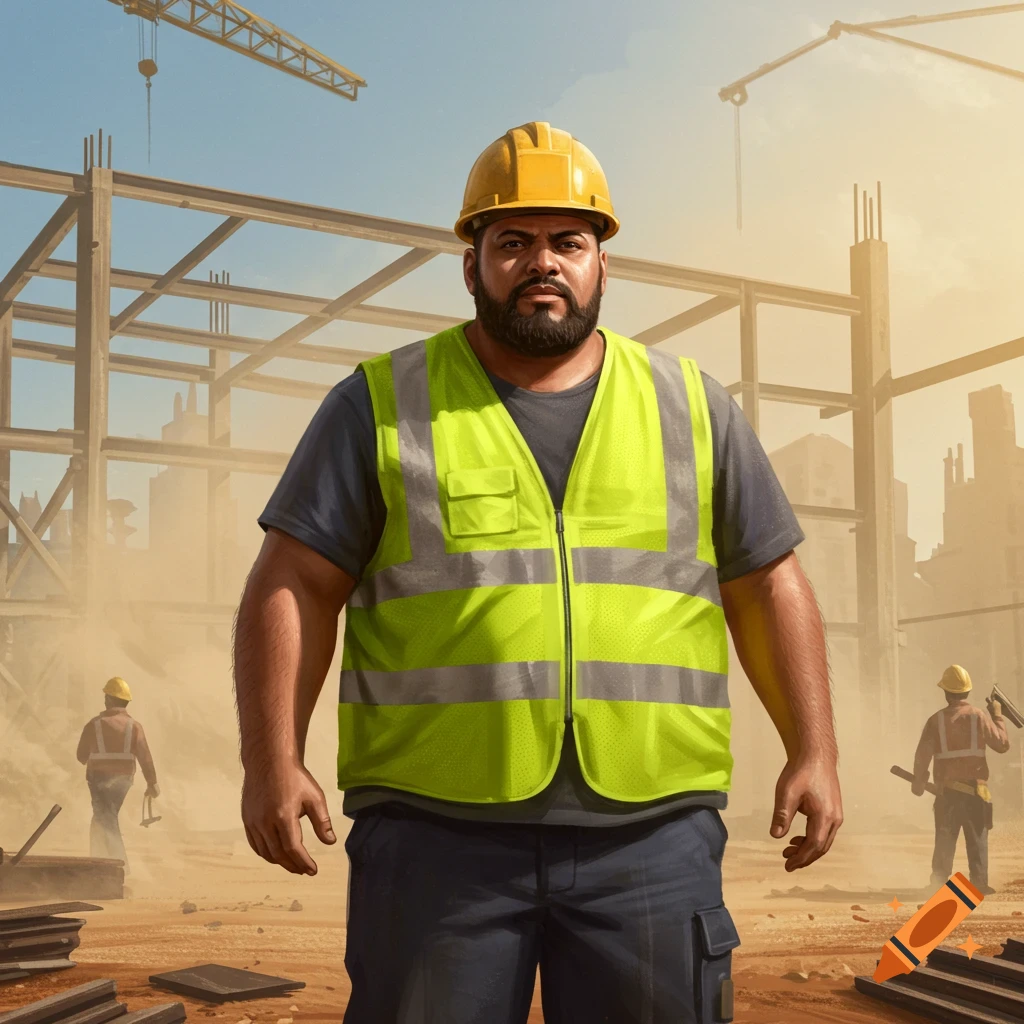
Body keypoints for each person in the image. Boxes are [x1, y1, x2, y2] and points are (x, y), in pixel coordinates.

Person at [234, 121, 843, 1023]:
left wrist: (816, 748)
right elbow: (293, 584)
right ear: (471, 263)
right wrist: (269, 760)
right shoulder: (379, 403)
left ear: (603, 261)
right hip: (436, 839)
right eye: (512, 242)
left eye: (569, 241)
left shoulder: (690, 407)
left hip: (651, 835)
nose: (542, 262)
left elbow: (767, 582)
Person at [912, 664, 1009, 894]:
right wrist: (997, 715)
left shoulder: (935, 721)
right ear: (967, 691)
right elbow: (1002, 745)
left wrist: (919, 780)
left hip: (947, 793)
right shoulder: (979, 716)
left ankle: (938, 882)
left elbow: (922, 755)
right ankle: (979, 883)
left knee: (945, 838)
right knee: (977, 838)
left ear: (945, 692)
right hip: (977, 791)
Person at [75, 676, 159, 872]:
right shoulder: (134, 726)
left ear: (110, 700)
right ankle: (97, 862)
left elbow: (81, 756)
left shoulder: (94, 724)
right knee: (101, 818)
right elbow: (145, 756)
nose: (104, 700)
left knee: (106, 817)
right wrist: (152, 782)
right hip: (123, 780)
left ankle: (119, 866)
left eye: (106, 697)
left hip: (97, 779)